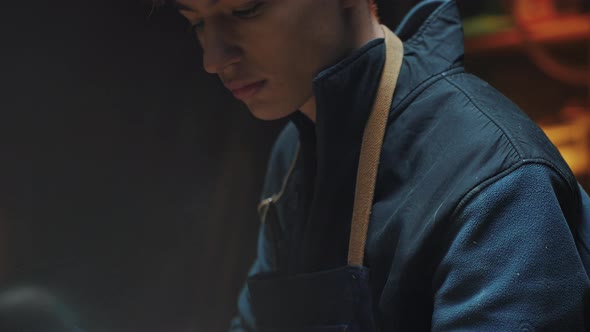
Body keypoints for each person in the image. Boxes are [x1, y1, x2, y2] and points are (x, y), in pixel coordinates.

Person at [166, 0, 590, 330]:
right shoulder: (294, 150)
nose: (213, 57)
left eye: (245, 9)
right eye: (197, 22)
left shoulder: (497, 183)